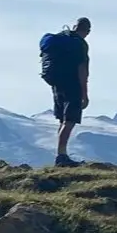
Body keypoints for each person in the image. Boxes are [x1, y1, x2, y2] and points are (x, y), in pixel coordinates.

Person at [39, 17, 91, 167]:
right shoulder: (80, 45)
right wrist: (84, 94)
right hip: (72, 84)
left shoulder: (60, 40)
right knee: (70, 120)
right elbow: (83, 70)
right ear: (87, 31)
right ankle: (61, 156)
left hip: (56, 83)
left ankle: (61, 154)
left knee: (62, 119)